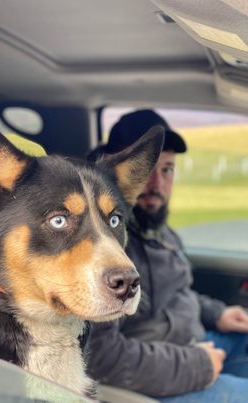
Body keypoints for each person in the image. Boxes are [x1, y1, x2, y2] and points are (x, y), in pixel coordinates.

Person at [86, 109, 248, 403]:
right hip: (160, 374)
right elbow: (101, 356)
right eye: (144, 170)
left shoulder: (159, 230)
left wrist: (218, 314)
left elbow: (179, 290)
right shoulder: (107, 249)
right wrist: (196, 366)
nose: (156, 184)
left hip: (198, 345)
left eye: (167, 169)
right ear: (117, 172)